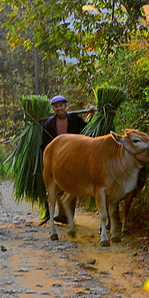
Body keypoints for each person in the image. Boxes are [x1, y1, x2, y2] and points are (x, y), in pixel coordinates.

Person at [40, 95, 91, 224]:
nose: (59, 109)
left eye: (61, 106)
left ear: (66, 106)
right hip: (57, 157)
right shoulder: (49, 124)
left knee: (72, 185)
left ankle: (66, 216)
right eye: (56, 107)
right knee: (57, 185)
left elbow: (87, 130)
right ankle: (59, 213)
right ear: (53, 109)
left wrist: (93, 115)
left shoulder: (75, 120)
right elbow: (44, 143)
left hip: (73, 157)